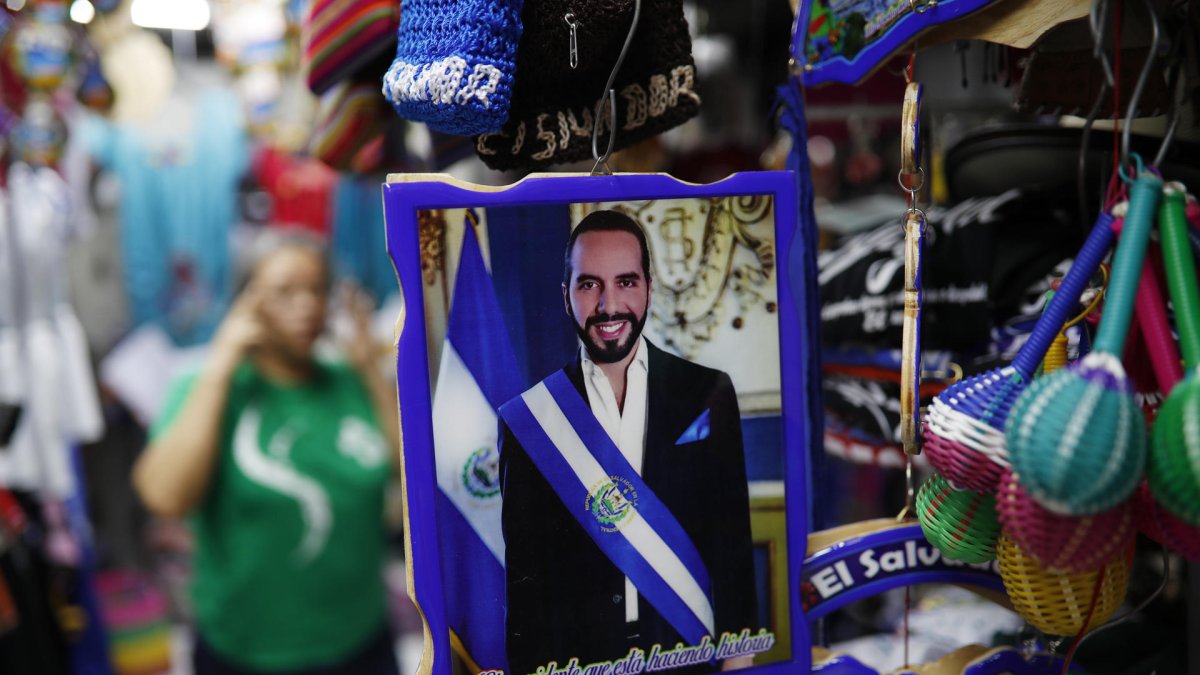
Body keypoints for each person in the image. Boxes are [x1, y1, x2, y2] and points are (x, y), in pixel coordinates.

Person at [498, 210, 758, 675]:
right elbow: (526, 582)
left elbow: (731, 542)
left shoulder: (707, 392)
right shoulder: (528, 421)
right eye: (589, 284)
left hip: (687, 652)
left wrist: (739, 656)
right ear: (566, 296)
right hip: (579, 663)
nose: (609, 305)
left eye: (626, 282)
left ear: (649, 289)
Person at [132, 237, 400, 675]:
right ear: (245, 301)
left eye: (317, 289)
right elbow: (165, 497)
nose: (308, 305)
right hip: (246, 654)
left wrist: (371, 369)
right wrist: (222, 358)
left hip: (361, 642)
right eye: (285, 291)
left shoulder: (349, 380)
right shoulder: (209, 388)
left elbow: (411, 477)